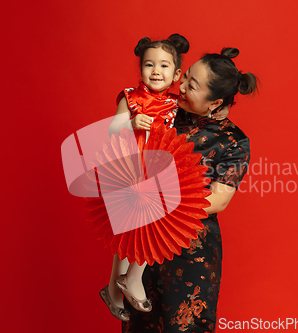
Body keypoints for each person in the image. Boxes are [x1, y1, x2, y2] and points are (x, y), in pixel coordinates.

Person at [122, 47, 258, 332]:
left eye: (191, 86)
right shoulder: (165, 112)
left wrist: (158, 201)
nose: (179, 86)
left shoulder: (233, 141)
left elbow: (218, 200)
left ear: (215, 102)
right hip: (146, 242)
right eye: (184, 77)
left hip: (190, 249)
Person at [100, 33, 191, 321]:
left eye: (164, 66)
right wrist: (129, 122)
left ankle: (123, 284)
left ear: (176, 74)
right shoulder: (130, 97)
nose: (155, 71)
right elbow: (112, 130)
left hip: (157, 173)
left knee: (145, 229)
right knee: (127, 236)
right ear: (140, 69)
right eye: (149, 65)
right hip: (130, 169)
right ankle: (121, 286)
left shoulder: (177, 105)